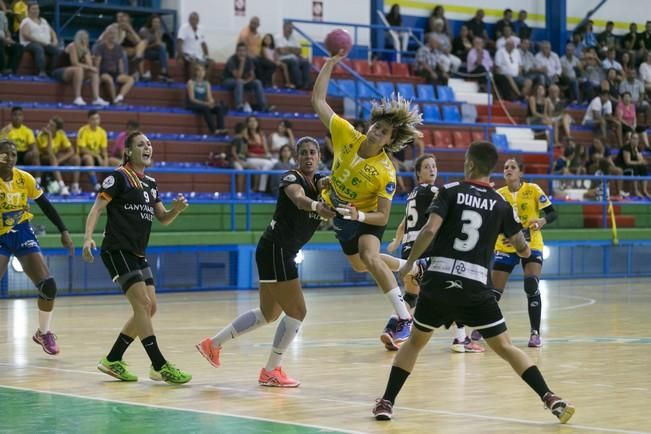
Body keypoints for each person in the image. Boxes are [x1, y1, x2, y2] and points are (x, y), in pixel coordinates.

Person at [372, 142, 574, 424]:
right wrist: (528, 256)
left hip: (440, 280)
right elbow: (519, 245)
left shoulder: (450, 191)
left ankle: (386, 402)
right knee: (505, 347)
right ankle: (549, 397)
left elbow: (430, 229)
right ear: (491, 169)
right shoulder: (501, 203)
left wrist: (408, 264)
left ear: (468, 163)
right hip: (475, 287)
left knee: (415, 343)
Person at [196, 137, 336, 386]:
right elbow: (299, 199)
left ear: (319, 157)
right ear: (296, 157)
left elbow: (327, 182)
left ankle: (212, 344)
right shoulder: (291, 178)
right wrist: (317, 205)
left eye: (313, 152)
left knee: (268, 313)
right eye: (303, 152)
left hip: (274, 250)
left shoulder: (321, 182)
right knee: (298, 312)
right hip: (277, 250)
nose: (308, 156)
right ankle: (272, 370)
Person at [312, 50, 423, 347]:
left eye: (384, 132)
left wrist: (358, 216)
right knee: (361, 265)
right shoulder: (348, 135)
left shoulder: (386, 171)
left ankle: (404, 318)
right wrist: (330, 64)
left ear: (390, 141)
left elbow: (384, 217)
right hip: (341, 213)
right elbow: (318, 102)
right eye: (376, 127)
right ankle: (409, 266)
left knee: (370, 255)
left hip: (367, 217)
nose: (377, 132)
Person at [83, 131, 192, 384]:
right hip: (117, 250)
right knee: (142, 304)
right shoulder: (119, 177)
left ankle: (112, 359)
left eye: (150, 144)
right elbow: (97, 208)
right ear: (128, 151)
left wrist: (176, 210)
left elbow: (163, 218)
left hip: (138, 253)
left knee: (150, 307)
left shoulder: (151, 183)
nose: (147, 148)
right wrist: (88, 238)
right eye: (141, 144)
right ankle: (159, 365)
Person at [385, 154, 484, 353]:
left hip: (408, 250)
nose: (432, 169)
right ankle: (460, 339)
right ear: (418, 173)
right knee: (456, 290)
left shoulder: (413, 194)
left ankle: (392, 329)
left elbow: (404, 223)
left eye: (434, 166)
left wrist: (396, 241)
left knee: (411, 296)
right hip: (425, 251)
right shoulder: (434, 191)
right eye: (427, 167)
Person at [0, 138, 74, 355]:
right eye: (5, 154)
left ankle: (43, 332)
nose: (10, 158)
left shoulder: (25, 179)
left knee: (49, 286)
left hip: (22, 231)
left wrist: (64, 231)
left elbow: (47, 206)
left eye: (13, 154)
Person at [485, 159, 558, 347]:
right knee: (494, 292)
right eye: (505, 168)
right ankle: (482, 328)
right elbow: (491, 223)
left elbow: (552, 213)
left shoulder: (533, 190)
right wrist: (503, 233)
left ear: (520, 173)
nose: (508, 170)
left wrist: (542, 221)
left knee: (531, 284)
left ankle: (535, 333)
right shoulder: (498, 195)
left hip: (532, 243)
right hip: (505, 246)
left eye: (512, 167)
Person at [53, 30, 108, 106]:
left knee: (93, 73)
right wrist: (89, 67)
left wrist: (86, 53)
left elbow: (90, 65)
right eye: (83, 38)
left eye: (86, 38)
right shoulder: (72, 46)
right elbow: (74, 63)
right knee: (79, 69)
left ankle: (96, 98)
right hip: (60, 70)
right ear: (78, 38)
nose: (85, 40)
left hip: (74, 72)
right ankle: (77, 97)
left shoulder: (86, 49)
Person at [36, 116, 79, 195]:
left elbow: (71, 151)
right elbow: (48, 152)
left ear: (57, 129)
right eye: (49, 124)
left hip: (54, 158)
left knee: (76, 159)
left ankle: (75, 186)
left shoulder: (61, 134)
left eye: (52, 125)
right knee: (52, 158)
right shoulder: (42, 135)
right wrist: (49, 135)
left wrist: (59, 160)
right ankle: (62, 186)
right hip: (42, 158)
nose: (48, 126)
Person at [94, 26, 135, 104]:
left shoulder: (118, 48)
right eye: (111, 33)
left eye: (114, 34)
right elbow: (97, 63)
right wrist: (98, 76)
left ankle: (119, 97)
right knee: (109, 79)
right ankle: (113, 101)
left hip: (115, 73)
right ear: (107, 34)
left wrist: (122, 73)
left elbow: (120, 63)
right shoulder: (100, 47)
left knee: (130, 79)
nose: (113, 36)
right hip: (103, 72)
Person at [99, 12, 147, 79]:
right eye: (122, 20)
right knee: (123, 52)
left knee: (143, 43)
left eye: (126, 21)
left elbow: (138, 41)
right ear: (118, 20)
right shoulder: (113, 27)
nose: (124, 23)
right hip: (108, 48)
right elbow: (105, 42)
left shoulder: (124, 32)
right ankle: (126, 75)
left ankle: (138, 58)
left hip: (121, 48)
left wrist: (130, 29)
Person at [223, 42, 269, 112]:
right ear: (236, 51)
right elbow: (237, 76)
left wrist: (245, 82)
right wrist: (242, 62)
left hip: (242, 81)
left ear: (246, 52)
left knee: (257, 82)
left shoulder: (249, 59)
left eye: (243, 51)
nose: (241, 53)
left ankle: (263, 106)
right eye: (239, 51)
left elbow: (252, 76)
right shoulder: (231, 60)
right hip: (228, 81)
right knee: (239, 82)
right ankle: (239, 106)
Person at [18, 2, 60, 77]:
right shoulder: (26, 21)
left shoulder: (43, 20)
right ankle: (41, 71)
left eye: (37, 8)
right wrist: (40, 42)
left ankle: (52, 71)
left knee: (57, 50)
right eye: (33, 9)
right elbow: (26, 35)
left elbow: (52, 31)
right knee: (38, 48)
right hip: (29, 43)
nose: (36, 10)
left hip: (45, 43)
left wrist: (55, 40)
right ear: (28, 10)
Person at [186, 63, 227, 135]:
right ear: (195, 72)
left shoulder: (207, 83)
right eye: (199, 70)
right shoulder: (191, 82)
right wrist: (206, 104)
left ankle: (221, 128)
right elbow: (192, 99)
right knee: (205, 108)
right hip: (193, 104)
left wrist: (211, 103)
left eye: (203, 70)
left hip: (204, 104)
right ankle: (214, 130)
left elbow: (209, 97)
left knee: (219, 108)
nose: (201, 72)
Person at [176, 11, 214, 80]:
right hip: (187, 54)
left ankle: (205, 83)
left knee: (211, 62)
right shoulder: (184, 27)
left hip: (198, 55)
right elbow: (179, 42)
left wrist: (207, 56)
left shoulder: (201, 28)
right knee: (193, 61)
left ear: (198, 21)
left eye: (195, 19)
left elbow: (203, 44)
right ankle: (192, 82)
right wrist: (180, 57)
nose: (193, 21)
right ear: (189, 20)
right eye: (191, 19)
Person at [77, 110, 108, 192]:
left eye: (97, 118)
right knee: (88, 158)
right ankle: (96, 185)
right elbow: (82, 149)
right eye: (93, 119)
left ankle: (109, 186)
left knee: (115, 162)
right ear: (88, 120)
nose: (95, 121)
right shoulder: (83, 130)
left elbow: (104, 150)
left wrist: (105, 158)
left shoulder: (102, 132)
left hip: (98, 157)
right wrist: (97, 156)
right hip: (84, 157)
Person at [276, 22, 311, 90]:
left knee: (305, 62)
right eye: (289, 28)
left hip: (294, 58)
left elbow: (299, 51)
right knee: (294, 61)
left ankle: (306, 84)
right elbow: (281, 51)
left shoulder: (294, 38)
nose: (290, 30)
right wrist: (292, 49)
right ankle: (298, 84)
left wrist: (288, 49)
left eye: (291, 28)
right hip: (282, 58)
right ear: (284, 28)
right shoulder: (278, 37)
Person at [615, 133, 650, 198]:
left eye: (637, 139)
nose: (635, 140)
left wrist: (636, 151)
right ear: (630, 139)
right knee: (634, 168)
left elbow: (641, 160)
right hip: (622, 165)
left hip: (632, 165)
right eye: (634, 138)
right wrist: (639, 162)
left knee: (644, 168)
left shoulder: (637, 148)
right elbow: (627, 162)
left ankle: (644, 191)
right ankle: (635, 191)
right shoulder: (626, 147)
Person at [139, 15, 171, 82]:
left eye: (158, 22)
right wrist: (156, 44)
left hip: (152, 52)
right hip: (143, 53)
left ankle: (163, 72)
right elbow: (143, 47)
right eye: (155, 22)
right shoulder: (144, 31)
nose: (157, 24)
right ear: (151, 22)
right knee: (161, 48)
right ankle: (163, 73)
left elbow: (159, 44)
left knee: (162, 49)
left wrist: (157, 33)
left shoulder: (159, 31)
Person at [0, 7, 22, 75]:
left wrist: (9, 38)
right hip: (1, 40)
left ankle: (11, 70)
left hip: (4, 40)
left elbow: (6, 30)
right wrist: (4, 39)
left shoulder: (2, 15)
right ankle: (2, 69)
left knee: (18, 46)